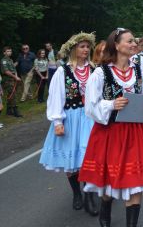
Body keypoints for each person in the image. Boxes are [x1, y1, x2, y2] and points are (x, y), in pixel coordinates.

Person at [80, 28, 143, 227]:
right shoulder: (101, 73)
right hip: (111, 132)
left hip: (136, 131)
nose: (134, 43)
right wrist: (111, 104)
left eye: (134, 40)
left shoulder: (138, 69)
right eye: (129, 41)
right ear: (116, 45)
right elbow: (91, 107)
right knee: (110, 182)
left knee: (135, 184)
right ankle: (105, 213)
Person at [39, 32, 99, 216]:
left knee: (89, 158)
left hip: (90, 118)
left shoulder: (95, 69)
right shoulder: (62, 71)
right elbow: (56, 96)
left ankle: (89, 194)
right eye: (82, 46)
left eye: (88, 47)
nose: (86, 49)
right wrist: (57, 121)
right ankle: (76, 193)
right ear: (74, 49)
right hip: (71, 118)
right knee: (71, 160)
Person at [0, 46, 22, 117]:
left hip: (14, 79)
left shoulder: (10, 60)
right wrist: (15, 77)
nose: (10, 52)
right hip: (8, 79)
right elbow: (6, 71)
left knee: (11, 94)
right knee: (13, 95)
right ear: (4, 53)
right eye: (8, 51)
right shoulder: (4, 61)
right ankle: (16, 111)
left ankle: (9, 110)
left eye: (10, 51)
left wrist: (16, 76)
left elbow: (14, 69)